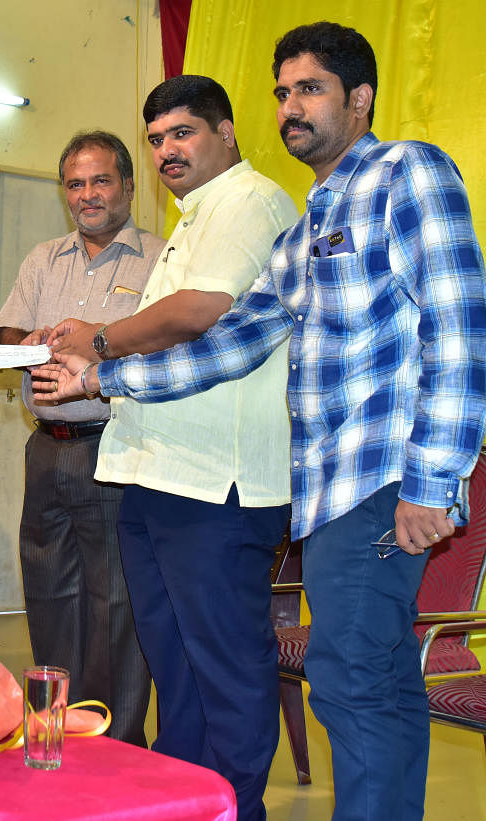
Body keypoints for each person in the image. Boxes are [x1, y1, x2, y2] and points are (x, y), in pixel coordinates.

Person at [49, 23, 486, 821]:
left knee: (352, 679)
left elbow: (458, 326)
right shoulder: (311, 223)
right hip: (325, 497)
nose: (291, 106)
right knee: (376, 682)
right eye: (282, 92)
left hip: (384, 482)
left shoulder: (406, 172)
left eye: (310, 89)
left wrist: (434, 481)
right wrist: (104, 376)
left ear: (360, 99)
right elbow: (232, 344)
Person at [34, 75, 298, 821]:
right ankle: (183, 803)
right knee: (172, 666)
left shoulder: (249, 201)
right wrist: (94, 379)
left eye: (183, 133)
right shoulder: (194, 217)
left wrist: (99, 340)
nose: (167, 150)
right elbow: (172, 347)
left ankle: (234, 808)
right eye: (156, 139)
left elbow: (199, 312)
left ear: (227, 133)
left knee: (223, 663)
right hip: (153, 472)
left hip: (218, 483)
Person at [0, 131, 158, 746]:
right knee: (49, 594)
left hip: (117, 449)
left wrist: (97, 339)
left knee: (115, 606)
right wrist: (28, 340)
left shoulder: (160, 258)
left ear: (128, 186)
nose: (87, 195)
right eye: (75, 183)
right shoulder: (43, 258)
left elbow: (165, 345)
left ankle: (115, 750)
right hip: (46, 450)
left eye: (101, 180)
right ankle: (54, 736)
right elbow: (6, 332)